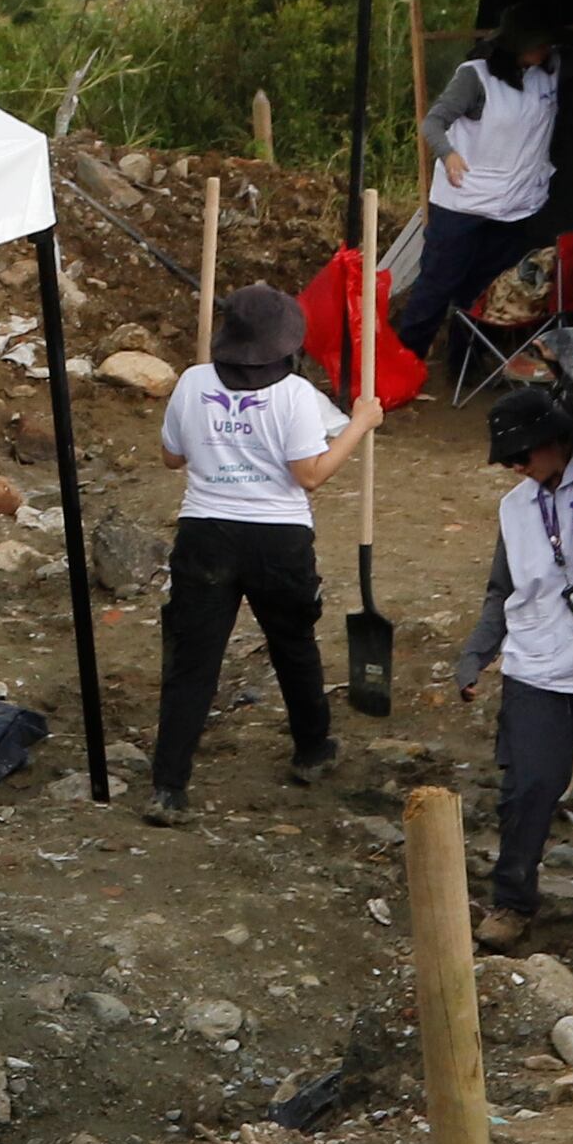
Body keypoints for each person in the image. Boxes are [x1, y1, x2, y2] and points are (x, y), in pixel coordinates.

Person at [146, 282, 381, 822]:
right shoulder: (295, 395)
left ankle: (168, 787)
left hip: (205, 531)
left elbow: (171, 457)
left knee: (193, 660)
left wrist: (218, 437)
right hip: (277, 538)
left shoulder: (193, 382)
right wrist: (361, 424)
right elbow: (310, 475)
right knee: (292, 644)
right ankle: (312, 750)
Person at [451, 383, 573, 948]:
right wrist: (476, 653)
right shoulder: (515, 509)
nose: (516, 468)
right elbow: (502, 590)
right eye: (507, 461)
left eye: (522, 455)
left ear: (556, 439)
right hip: (538, 664)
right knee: (529, 788)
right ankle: (512, 903)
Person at [389, 19, 572, 389]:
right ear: (516, 46)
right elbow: (433, 122)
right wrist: (448, 154)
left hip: (513, 205)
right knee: (437, 287)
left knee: (486, 292)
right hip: (462, 203)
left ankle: (465, 364)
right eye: (539, 45)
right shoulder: (475, 77)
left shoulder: (545, 73)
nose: (546, 51)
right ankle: (401, 370)